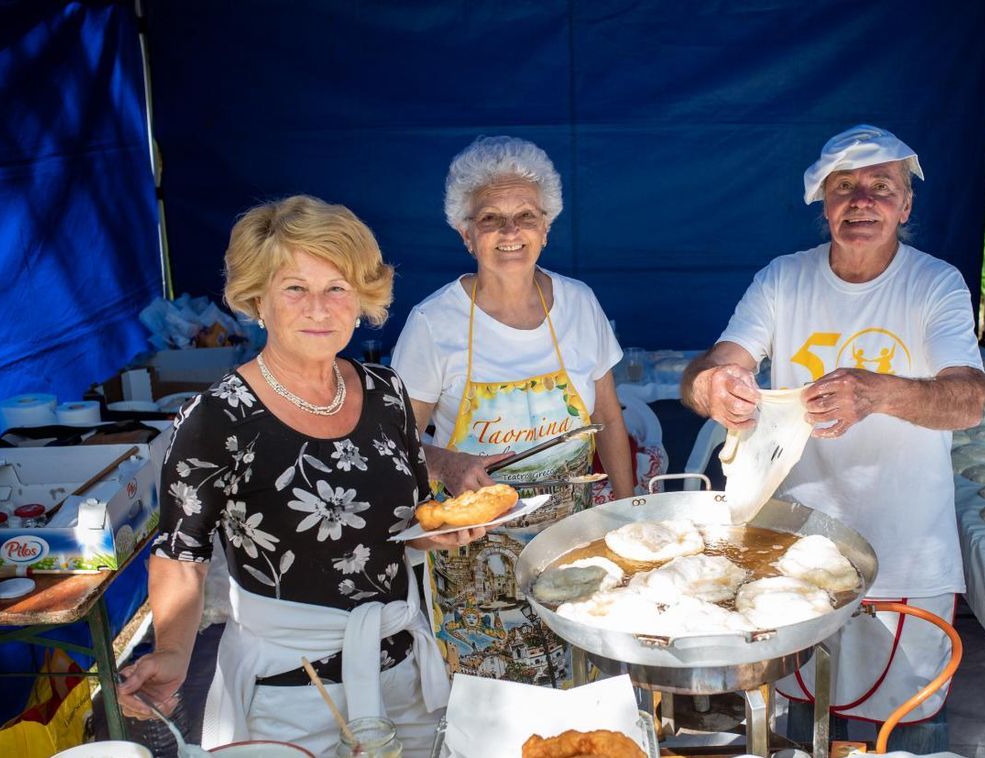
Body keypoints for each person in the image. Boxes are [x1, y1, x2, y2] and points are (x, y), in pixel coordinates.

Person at [117, 195, 480, 757]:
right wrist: (170, 654)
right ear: (258, 300)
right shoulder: (218, 416)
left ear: (361, 298)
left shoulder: (386, 393)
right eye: (295, 288)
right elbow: (180, 553)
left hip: (403, 676)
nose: (319, 307)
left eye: (337, 287)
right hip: (291, 691)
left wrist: (441, 534)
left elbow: (408, 522)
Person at [680, 125, 985, 752]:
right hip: (792, 550)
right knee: (796, 728)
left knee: (902, 734)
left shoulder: (936, 285)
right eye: (844, 187)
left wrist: (877, 393)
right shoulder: (783, 280)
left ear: (906, 205)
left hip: (904, 552)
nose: (862, 200)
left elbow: (968, 400)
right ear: (822, 203)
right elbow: (712, 365)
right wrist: (713, 386)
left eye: (881, 187)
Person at [392, 135, 635, 686]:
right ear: (466, 233)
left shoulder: (580, 304)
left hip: (577, 549)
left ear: (546, 228)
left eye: (525, 216)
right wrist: (447, 463)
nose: (509, 233)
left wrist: (626, 515)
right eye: (491, 218)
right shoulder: (435, 324)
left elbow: (611, 420)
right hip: (478, 559)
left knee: (583, 698)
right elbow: (392, 441)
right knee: (493, 715)